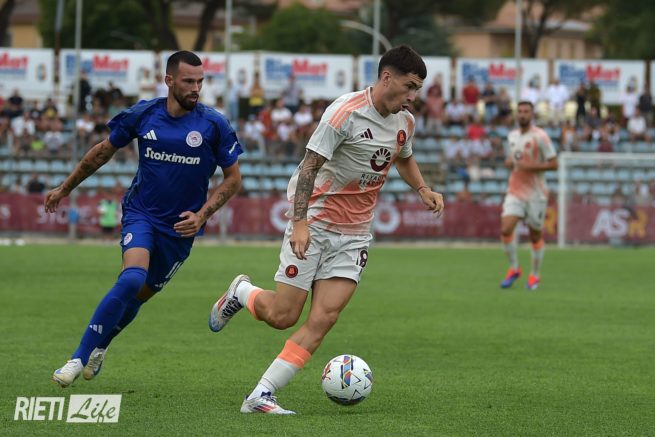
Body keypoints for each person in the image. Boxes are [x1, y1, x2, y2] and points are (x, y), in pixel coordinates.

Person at [208, 45, 444, 414]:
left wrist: (423, 188)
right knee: (284, 316)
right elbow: (309, 167)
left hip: (355, 234)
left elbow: (404, 156)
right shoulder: (345, 112)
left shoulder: (405, 122)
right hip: (316, 221)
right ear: (387, 78)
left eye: (418, 89)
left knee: (324, 318)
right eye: (410, 86)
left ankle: (261, 394)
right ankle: (242, 292)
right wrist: (300, 223)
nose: (413, 96)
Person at [46, 51, 243, 388]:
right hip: (142, 214)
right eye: (188, 81)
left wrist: (202, 215)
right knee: (131, 279)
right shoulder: (144, 114)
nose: (196, 88)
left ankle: (102, 345)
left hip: (180, 230)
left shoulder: (214, 125)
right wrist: (64, 188)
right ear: (169, 80)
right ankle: (78, 357)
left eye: (200, 81)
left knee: (140, 295)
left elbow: (233, 179)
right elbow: (102, 152)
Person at [499, 101, 558, 291]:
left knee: (535, 236)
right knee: (506, 229)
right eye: (520, 111)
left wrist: (530, 167)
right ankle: (515, 268)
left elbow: (554, 164)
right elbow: (515, 159)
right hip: (515, 190)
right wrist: (510, 162)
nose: (522, 114)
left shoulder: (541, 136)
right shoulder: (512, 136)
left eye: (526, 111)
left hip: (536, 193)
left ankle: (535, 275)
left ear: (532, 115)